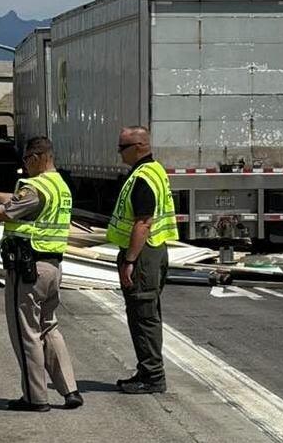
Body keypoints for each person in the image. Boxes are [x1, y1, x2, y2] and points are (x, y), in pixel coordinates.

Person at [0, 136, 82, 413]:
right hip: (52, 267)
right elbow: (15, 200)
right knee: (49, 326)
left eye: (25, 160)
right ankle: (70, 390)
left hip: (27, 268)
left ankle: (35, 398)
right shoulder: (58, 185)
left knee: (27, 334)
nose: (23, 166)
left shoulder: (35, 186)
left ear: (36, 158)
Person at [107, 125, 178, 395]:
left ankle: (152, 376)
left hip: (143, 253)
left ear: (139, 146)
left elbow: (143, 223)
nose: (119, 152)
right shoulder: (154, 170)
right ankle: (148, 370)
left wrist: (129, 260)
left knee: (143, 316)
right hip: (154, 251)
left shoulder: (143, 177)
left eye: (122, 147)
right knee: (145, 315)